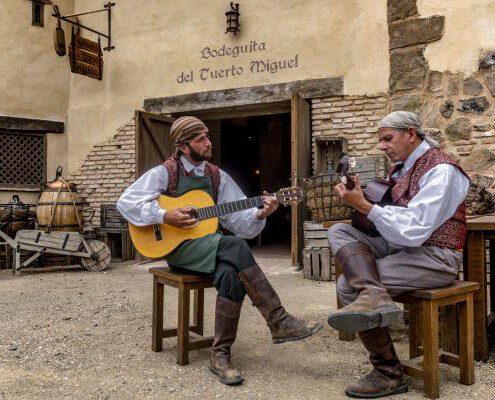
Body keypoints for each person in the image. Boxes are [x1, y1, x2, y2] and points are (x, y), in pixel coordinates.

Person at [117, 116, 322, 386]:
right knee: (234, 246)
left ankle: (221, 356)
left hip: (211, 248)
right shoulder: (165, 172)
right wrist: (164, 216)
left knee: (229, 272)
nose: (208, 142)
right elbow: (125, 202)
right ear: (183, 145)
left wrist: (261, 213)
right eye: (200, 138)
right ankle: (278, 319)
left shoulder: (217, 176)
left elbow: (239, 221)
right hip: (179, 250)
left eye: (207, 136)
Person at [326, 111, 470, 399]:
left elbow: (415, 228)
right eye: (381, 140)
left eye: (388, 139)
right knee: (339, 232)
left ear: (411, 134)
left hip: (436, 257)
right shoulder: (402, 169)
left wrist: (367, 207)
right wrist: (363, 201)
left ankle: (388, 373)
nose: (382, 146)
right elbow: (391, 218)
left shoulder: (441, 170)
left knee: (346, 286)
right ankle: (373, 295)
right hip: (403, 248)